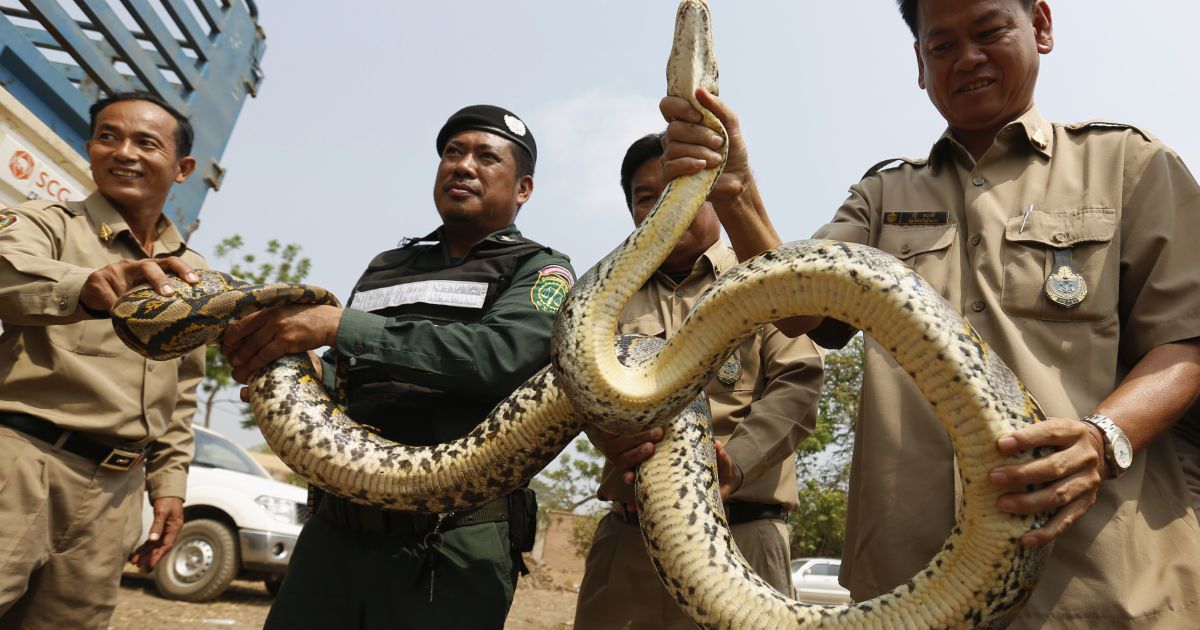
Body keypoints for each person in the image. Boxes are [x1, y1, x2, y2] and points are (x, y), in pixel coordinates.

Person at [658, 0, 1200, 626]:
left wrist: (1103, 439)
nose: (967, 57)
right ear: (920, 65)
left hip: (1100, 580)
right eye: (941, 45)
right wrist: (732, 186)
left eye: (989, 30)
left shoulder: (1130, 164)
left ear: (1041, 27)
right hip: (909, 591)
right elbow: (800, 310)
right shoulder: (883, 195)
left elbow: (1186, 341)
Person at [219, 105, 575, 630]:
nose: (462, 166)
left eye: (485, 156)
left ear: (523, 188)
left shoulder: (541, 268)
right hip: (335, 534)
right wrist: (309, 379)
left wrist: (340, 328)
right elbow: (353, 376)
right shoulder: (388, 265)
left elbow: (498, 358)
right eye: (452, 153)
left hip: (449, 545)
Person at [573, 132, 823, 629]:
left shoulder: (762, 272)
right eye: (645, 196)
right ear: (632, 213)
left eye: (677, 185)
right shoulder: (601, 298)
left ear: (707, 191)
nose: (663, 202)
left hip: (744, 539)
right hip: (628, 546)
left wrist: (735, 466)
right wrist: (607, 436)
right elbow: (575, 391)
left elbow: (799, 383)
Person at [0, 91, 205, 629]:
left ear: (182, 168)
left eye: (146, 142)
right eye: (108, 137)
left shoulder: (193, 272)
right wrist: (83, 289)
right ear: (89, 149)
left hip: (116, 496)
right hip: (21, 466)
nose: (125, 153)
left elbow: (182, 393)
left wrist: (169, 488)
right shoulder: (47, 224)